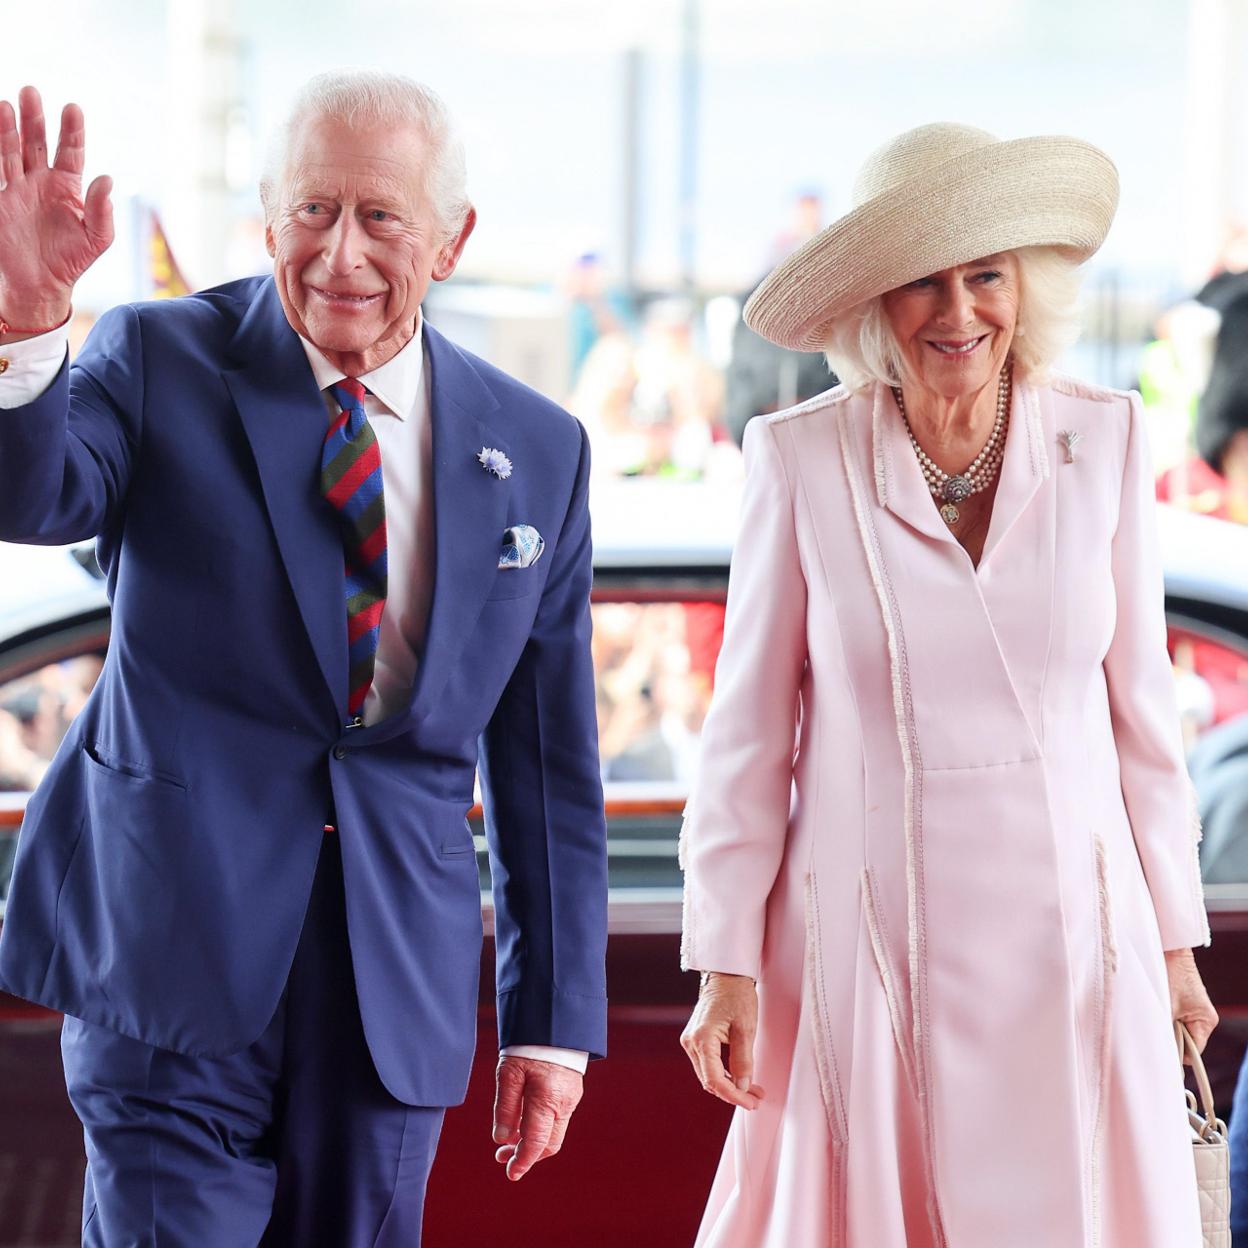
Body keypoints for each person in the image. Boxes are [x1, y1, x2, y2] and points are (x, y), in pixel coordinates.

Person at [0, 72, 607, 1245]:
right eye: (314, 212)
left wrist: (549, 1024)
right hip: (171, 951)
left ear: (452, 240)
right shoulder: (157, 356)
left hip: (393, 983)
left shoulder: (540, 448)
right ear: (269, 220)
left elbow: (547, 764)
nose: (341, 254)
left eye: (381, 217)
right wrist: (26, 334)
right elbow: (33, 497)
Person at [678, 123, 1217, 1247]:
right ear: (875, 303)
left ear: (1026, 290)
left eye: (986, 276)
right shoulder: (800, 457)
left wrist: (1175, 945)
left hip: (1082, 942)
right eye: (923, 279)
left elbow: (1144, 724)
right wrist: (725, 962)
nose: (958, 311)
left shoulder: (1106, 438)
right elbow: (746, 741)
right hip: (864, 941)